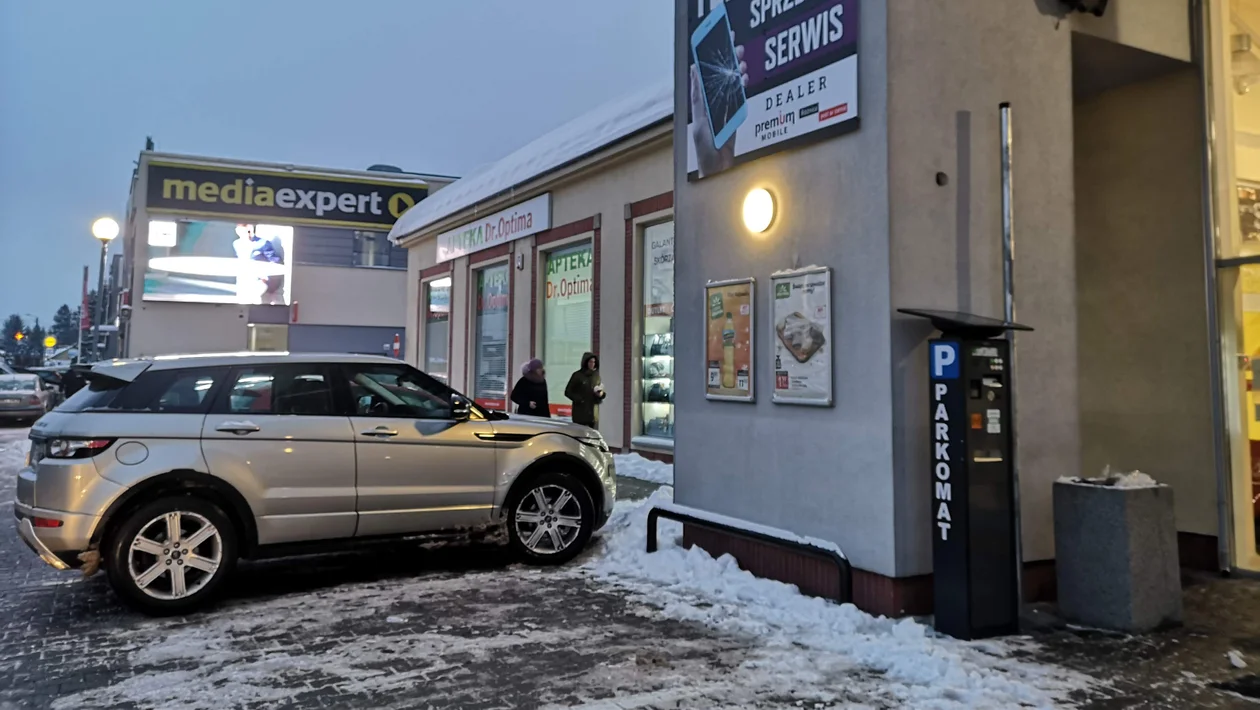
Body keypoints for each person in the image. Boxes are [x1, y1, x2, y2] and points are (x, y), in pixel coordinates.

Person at [565, 352, 606, 429]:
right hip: (580, 414)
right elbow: (568, 392)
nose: (592, 364)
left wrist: (600, 394)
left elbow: (599, 390)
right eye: (590, 362)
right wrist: (579, 399)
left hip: (593, 414)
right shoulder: (577, 375)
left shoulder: (596, 376)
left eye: (594, 362)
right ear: (585, 362)